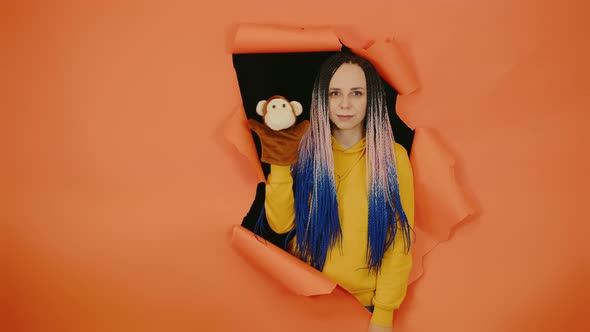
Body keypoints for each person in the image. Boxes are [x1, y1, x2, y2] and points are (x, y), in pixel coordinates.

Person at [256, 51, 414, 332]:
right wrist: (280, 163)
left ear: (371, 99)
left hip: (360, 308)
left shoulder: (393, 158)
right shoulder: (303, 151)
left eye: (356, 93)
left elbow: (398, 243)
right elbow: (280, 224)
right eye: (334, 93)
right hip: (304, 302)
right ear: (322, 98)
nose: (344, 104)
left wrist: (383, 315)